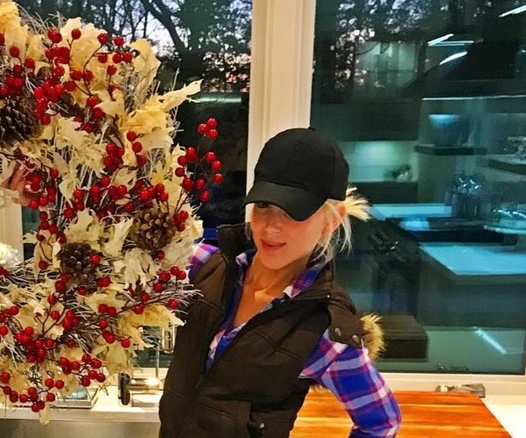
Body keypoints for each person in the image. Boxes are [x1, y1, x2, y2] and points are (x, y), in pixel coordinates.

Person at [158, 128, 402, 438]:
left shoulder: (326, 329)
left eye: (294, 212)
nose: (272, 226)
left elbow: (382, 422)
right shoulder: (204, 266)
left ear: (333, 219)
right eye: (263, 206)